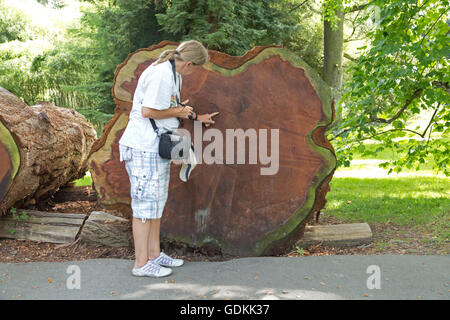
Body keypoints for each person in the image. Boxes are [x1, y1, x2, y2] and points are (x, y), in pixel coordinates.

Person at [118, 40, 219, 277]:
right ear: (190, 63)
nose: (194, 72)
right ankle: (141, 264)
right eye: (196, 68)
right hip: (143, 146)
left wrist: (194, 115)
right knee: (144, 206)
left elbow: (171, 107)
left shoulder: (174, 75)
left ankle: (154, 254)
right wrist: (180, 112)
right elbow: (148, 111)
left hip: (155, 147)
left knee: (155, 203)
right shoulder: (162, 75)